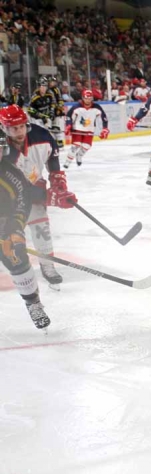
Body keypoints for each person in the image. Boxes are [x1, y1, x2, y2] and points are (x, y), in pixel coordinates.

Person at [0, 105, 78, 289]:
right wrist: (50, 197)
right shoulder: (3, 147)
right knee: (7, 235)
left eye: (21, 126)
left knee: (41, 227)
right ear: (3, 128)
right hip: (5, 195)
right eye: (13, 128)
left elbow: (53, 158)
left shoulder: (42, 135)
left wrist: (58, 184)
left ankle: (47, 265)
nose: (19, 132)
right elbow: (19, 188)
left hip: (34, 184)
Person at [0, 130, 51, 330]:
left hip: (4, 222)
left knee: (15, 256)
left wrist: (15, 232)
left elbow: (21, 205)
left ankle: (33, 302)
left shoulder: (12, 174)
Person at [63, 90, 110, 169]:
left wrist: (105, 128)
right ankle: (68, 161)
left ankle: (79, 155)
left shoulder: (96, 107)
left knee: (86, 146)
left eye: (90, 98)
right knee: (76, 145)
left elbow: (104, 118)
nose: (88, 100)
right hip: (77, 129)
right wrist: (68, 125)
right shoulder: (76, 106)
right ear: (83, 98)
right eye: (86, 98)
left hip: (89, 129)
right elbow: (68, 116)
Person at [46, 74, 67, 148]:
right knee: (50, 128)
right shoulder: (46, 90)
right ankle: (52, 142)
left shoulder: (56, 89)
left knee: (57, 127)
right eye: (52, 82)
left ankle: (60, 142)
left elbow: (60, 99)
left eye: (54, 82)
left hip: (57, 112)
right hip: (49, 111)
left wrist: (60, 106)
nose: (53, 83)